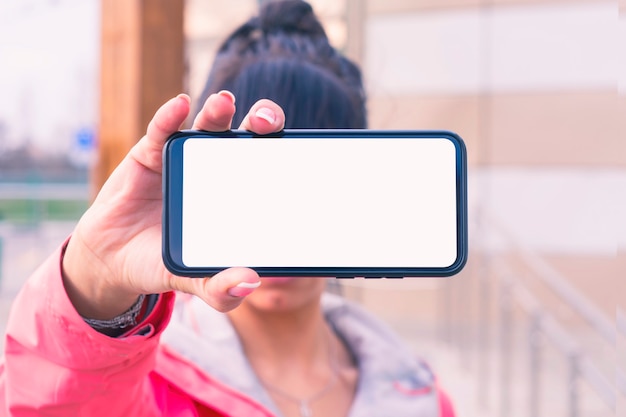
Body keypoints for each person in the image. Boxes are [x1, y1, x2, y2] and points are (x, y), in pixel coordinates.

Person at [0, 1, 455, 416]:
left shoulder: (420, 396)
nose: (280, 222)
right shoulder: (139, 377)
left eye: (312, 184)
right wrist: (93, 281)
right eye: (256, 183)